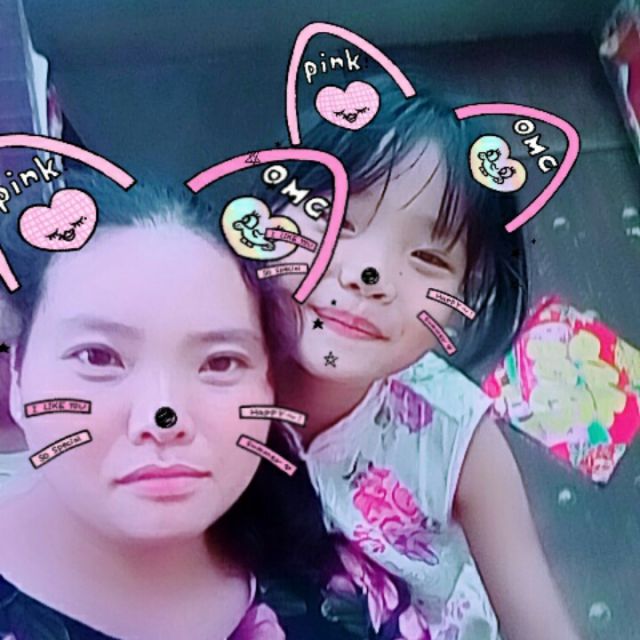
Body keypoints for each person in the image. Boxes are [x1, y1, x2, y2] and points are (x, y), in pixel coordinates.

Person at [265, 73, 583, 640]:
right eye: (336, 219)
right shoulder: (199, 366)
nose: (369, 276)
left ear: (462, 303)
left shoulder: (457, 434)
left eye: (429, 259)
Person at [0, 176, 343, 640]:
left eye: (220, 362)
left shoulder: (333, 593)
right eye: (98, 357)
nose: (163, 418)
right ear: (18, 374)